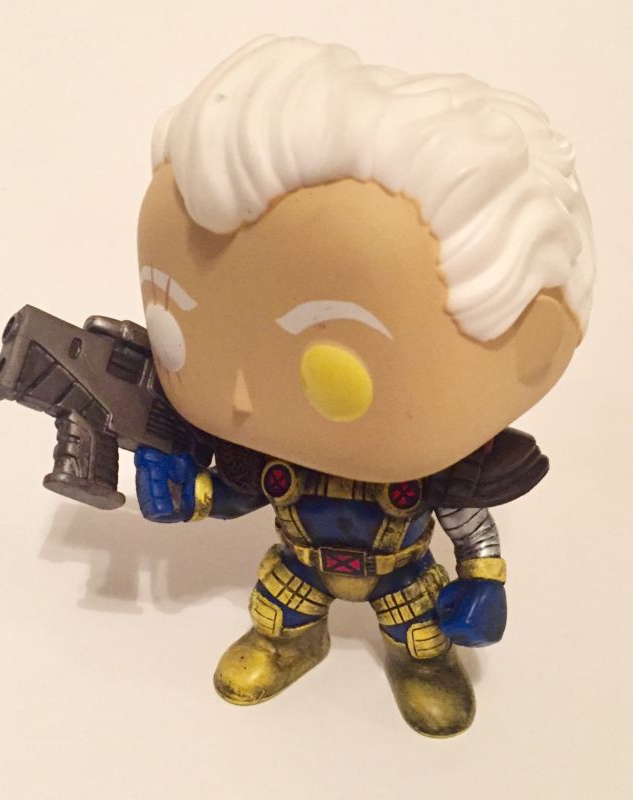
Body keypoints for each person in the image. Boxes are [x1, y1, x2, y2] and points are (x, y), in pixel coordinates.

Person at [134, 35, 594, 736]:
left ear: (534, 345)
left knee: (420, 632)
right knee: (277, 611)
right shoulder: (269, 458)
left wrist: (483, 582)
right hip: (300, 564)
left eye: (333, 363)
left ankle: (423, 667)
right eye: (174, 330)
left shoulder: (444, 474)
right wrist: (188, 494)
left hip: (402, 573)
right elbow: (237, 491)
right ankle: (290, 645)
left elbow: (470, 525)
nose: (243, 399)